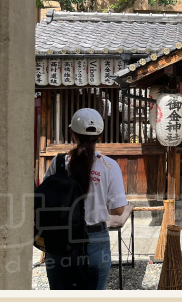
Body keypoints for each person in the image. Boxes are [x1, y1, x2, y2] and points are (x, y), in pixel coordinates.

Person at [43, 108, 127, 290]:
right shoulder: (110, 166)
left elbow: (44, 202)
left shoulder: (58, 163)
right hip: (95, 242)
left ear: (73, 133)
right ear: (101, 136)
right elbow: (118, 210)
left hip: (60, 242)